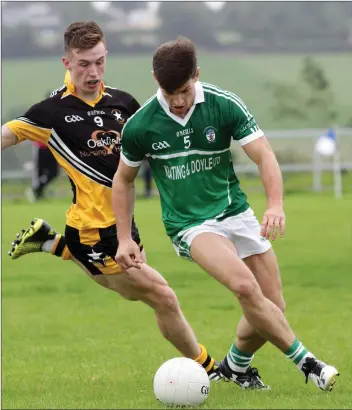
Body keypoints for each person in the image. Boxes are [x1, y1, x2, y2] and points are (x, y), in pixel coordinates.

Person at [112, 36, 339, 391]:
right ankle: (309, 364)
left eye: (185, 90)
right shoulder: (141, 126)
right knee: (246, 288)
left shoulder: (223, 105)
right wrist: (124, 237)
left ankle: (236, 366)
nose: (178, 101)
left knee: (273, 304)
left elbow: (264, 155)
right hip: (189, 225)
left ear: (197, 75)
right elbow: (123, 181)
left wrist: (275, 204)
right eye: (170, 92)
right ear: (157, 82)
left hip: (235, 211)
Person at [2, 22, 221, 383]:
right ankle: (211, 369)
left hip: (122, 225)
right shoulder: (52, 112)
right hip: (91, 230)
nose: (93, 72)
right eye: (84, 64)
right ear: (66, 63)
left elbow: (153, 143)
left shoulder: (124, 104)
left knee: (133, 293)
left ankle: (53, 243)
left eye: (100, 62)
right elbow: (8, 134)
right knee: (162, 296)